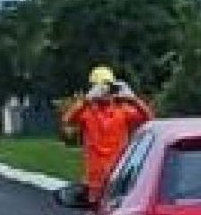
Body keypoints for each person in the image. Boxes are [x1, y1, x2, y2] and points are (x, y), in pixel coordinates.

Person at [56, 66, 152, 199]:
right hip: (95, 180)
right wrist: (86, 99)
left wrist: (133, 98)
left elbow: (149, 119)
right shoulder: (87, 112)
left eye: (108, 87)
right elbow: (68, 120)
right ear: (94, 88)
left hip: (118, 176)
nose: (105, 91)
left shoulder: (123, 111)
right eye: (101, 87)